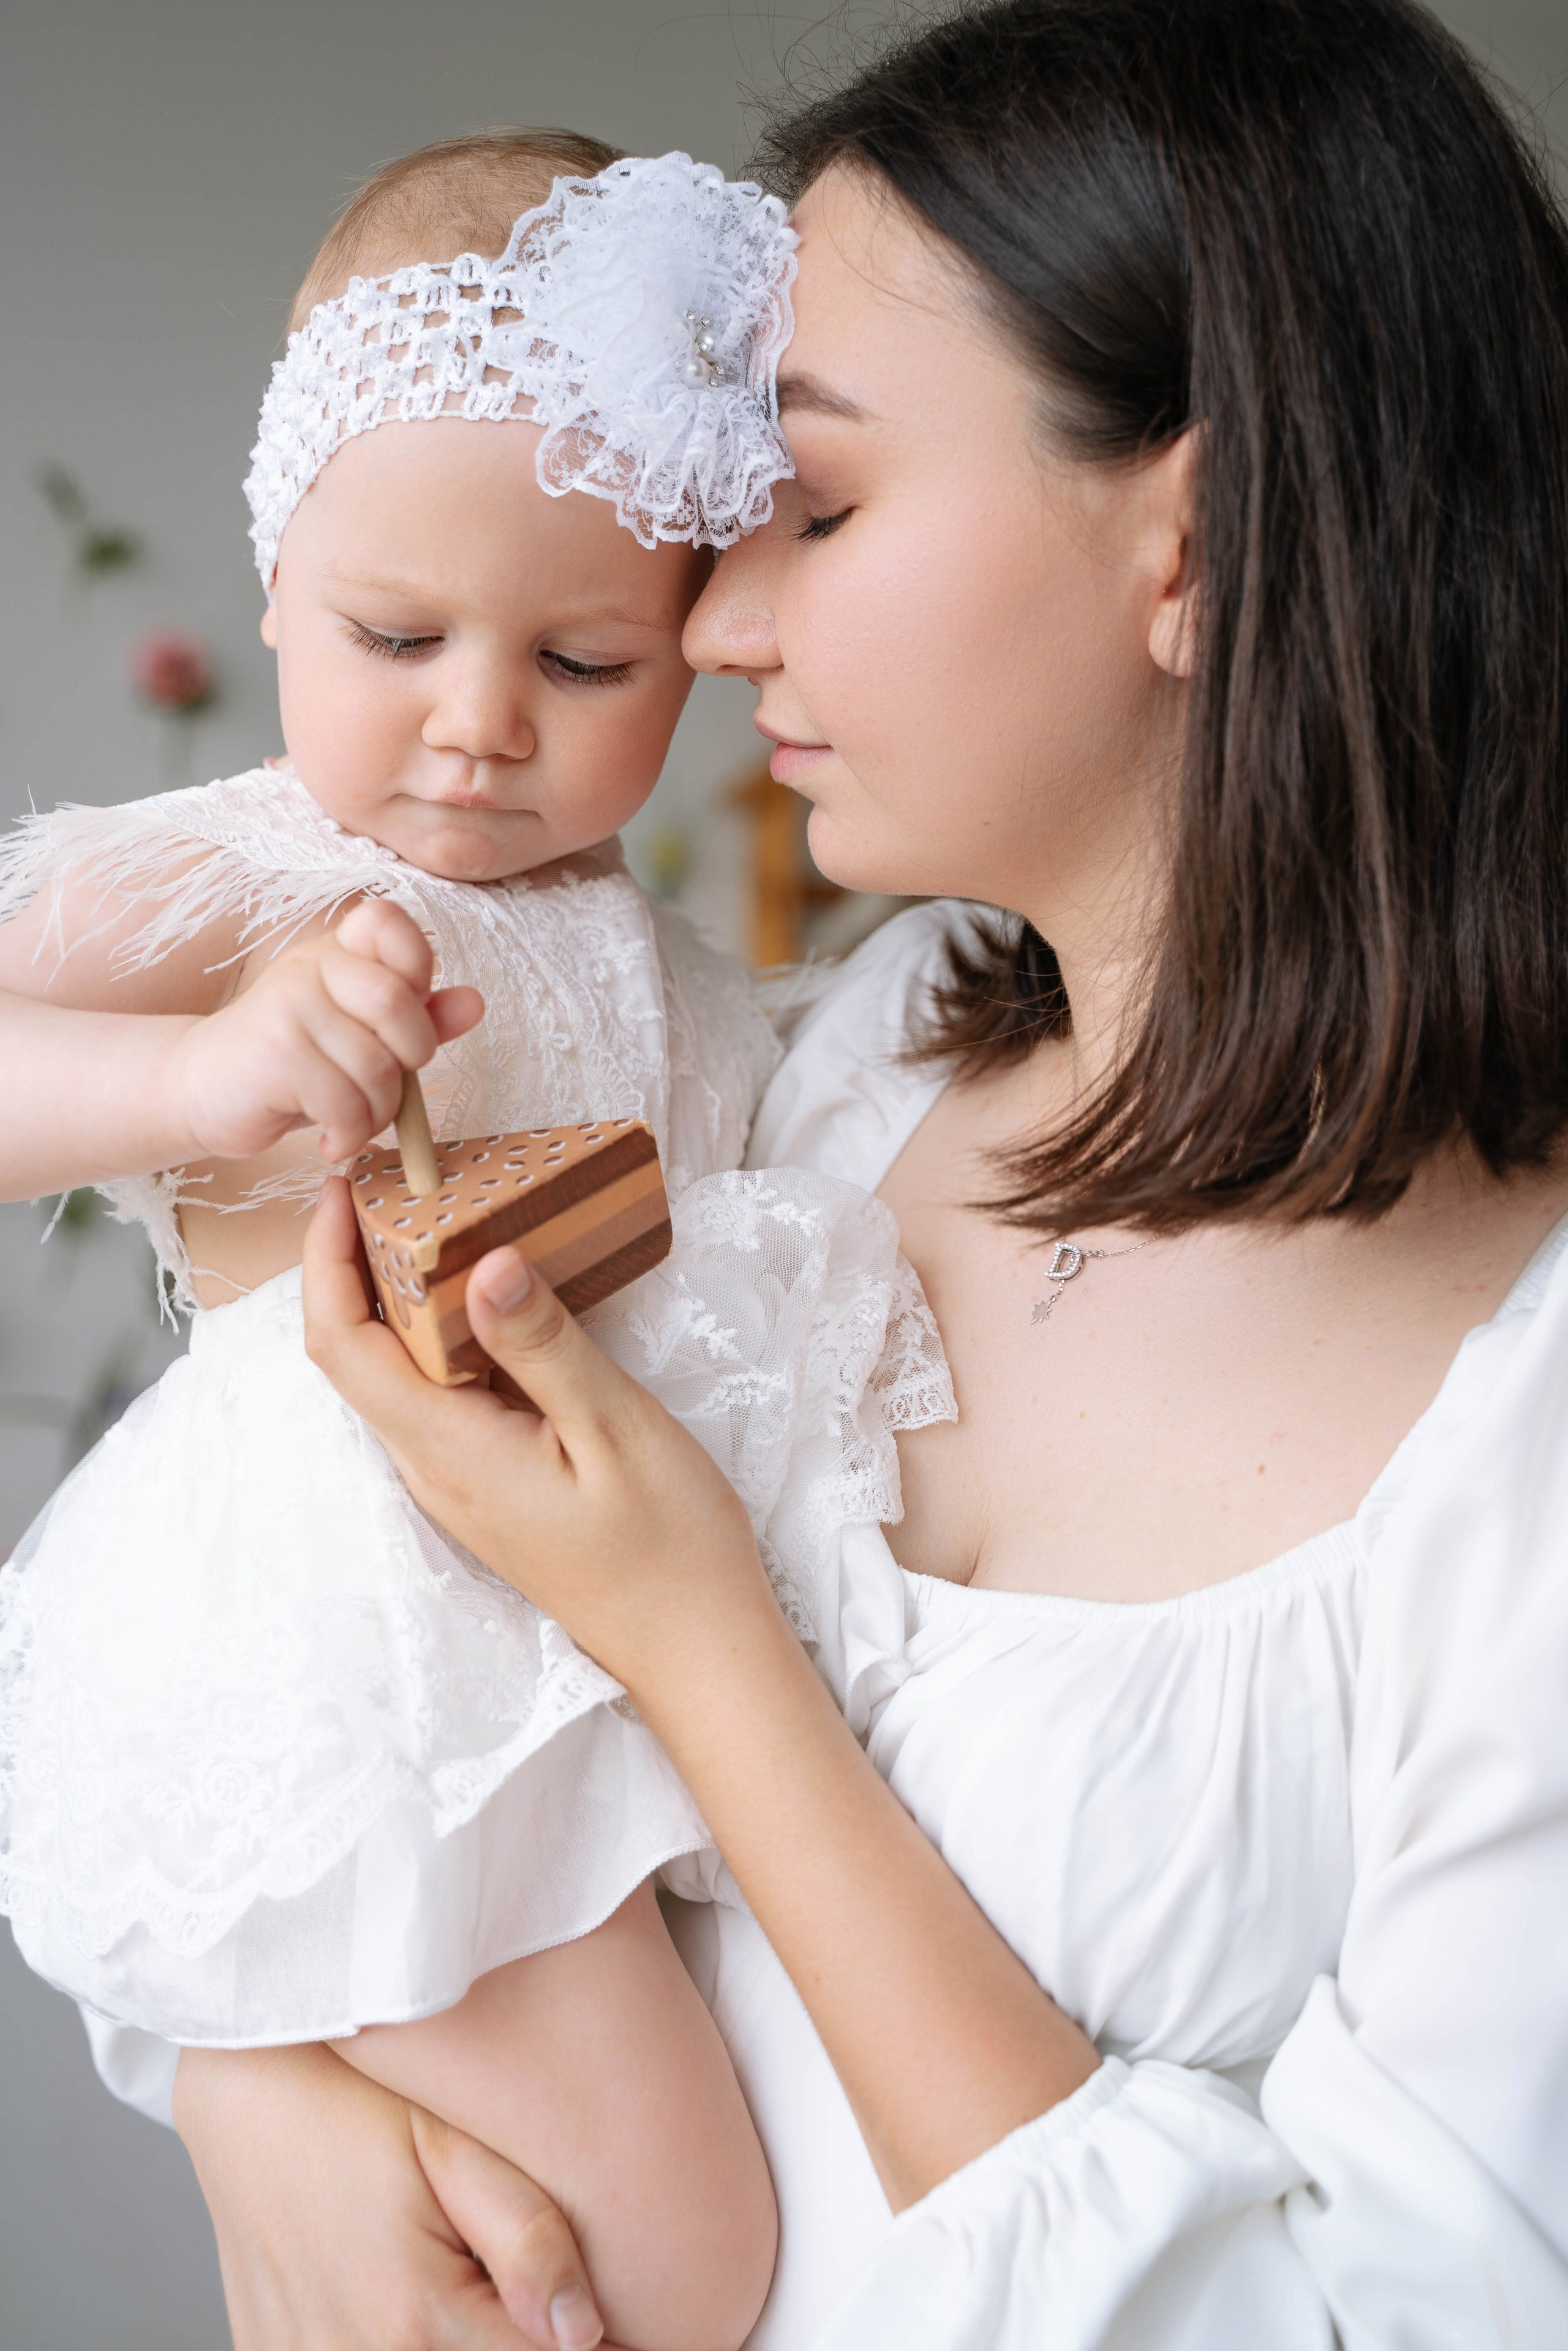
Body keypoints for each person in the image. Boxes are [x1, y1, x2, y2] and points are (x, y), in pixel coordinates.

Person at [105, 1, 1568, 2344]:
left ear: (1195, 545)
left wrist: (710, 1640)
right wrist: (241, 2077)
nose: (713, 618)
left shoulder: (1528, 1434)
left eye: (815, 503)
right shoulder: (839, 1076)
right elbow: (325, 1669)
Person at [0, 127, 959, 2351]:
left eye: (586, 661)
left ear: (700, 646)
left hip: (583, 1638)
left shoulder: (654, 946)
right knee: (676, 2253)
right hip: (356, 1634)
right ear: (273, 589)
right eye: (394, 634)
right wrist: (188, 1080)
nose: (476, 722)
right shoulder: (247, 877)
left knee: (615, 2242)